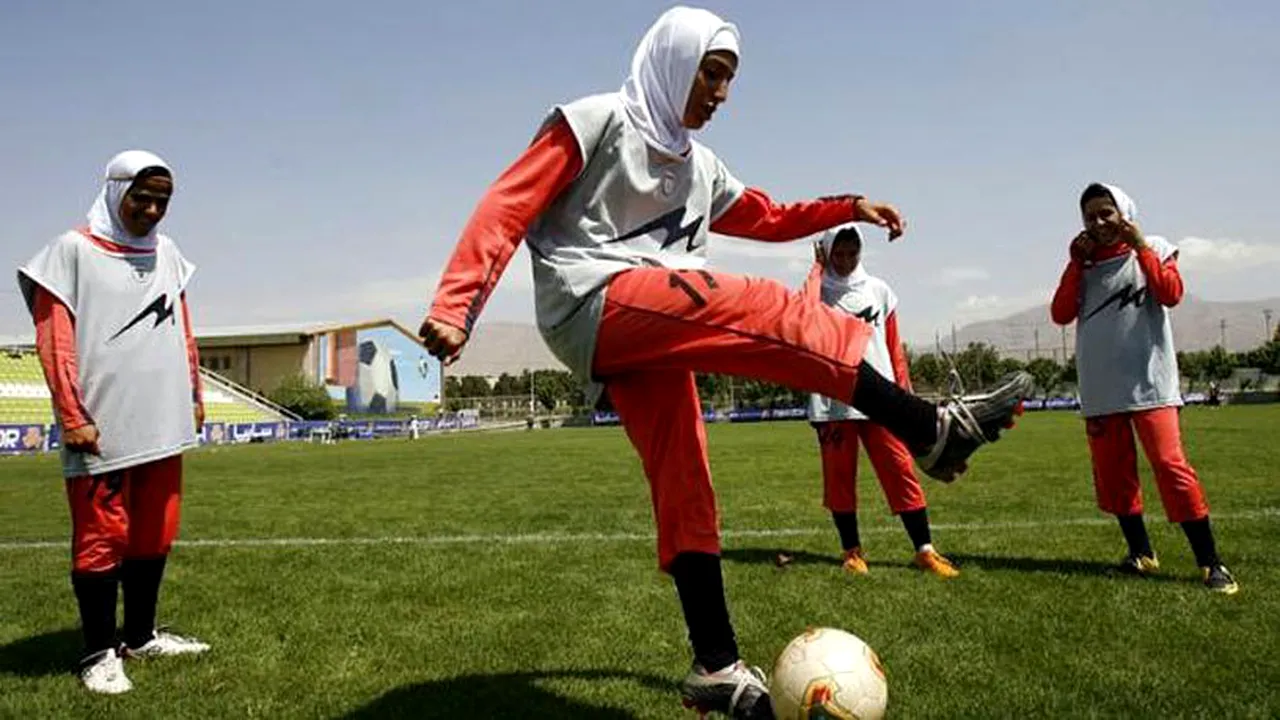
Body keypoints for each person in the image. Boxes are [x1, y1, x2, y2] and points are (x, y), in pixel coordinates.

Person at [418, 7, 1032, 716]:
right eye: (711, 74)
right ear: (675, 64)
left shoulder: (699, 166)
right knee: (760, 307)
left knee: (687, 475)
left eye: (729, 80)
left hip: (652, 324)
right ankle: (926, 426)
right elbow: (507, 204)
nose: (721, 93)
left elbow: (768, 216)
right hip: (594, 300)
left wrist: (848, 206)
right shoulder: (594, 121)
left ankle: (715, 664)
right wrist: (457, 304)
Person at [17, 150, 211, 695]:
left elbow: (183, 327)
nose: (151, 210)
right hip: (102, 424)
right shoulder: (70, 252)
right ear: (114, 191)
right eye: (142, 197)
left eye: (162, 201)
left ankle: (142, 635)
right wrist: (72, 415)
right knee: (103, 536)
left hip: (162, 417)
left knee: (154, 531)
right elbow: (55, 340)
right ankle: (98, 653)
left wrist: (193, 392)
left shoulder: (168, 253)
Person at [1050, 182, 1237, 595]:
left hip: (1150, 384)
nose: (1098, 223)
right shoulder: (1084, 264)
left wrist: (1141, 248)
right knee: (1116, 477)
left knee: (1171, 468)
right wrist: (1074, 264)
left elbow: (1171, 294)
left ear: (1126, 212)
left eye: (1106, 213)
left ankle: (1211, 562)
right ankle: (1141, 553)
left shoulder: (1154, 247)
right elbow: (1061, 313)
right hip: (1101, 391)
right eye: (1090, 217)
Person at [803, 227, 959, 578]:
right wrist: (816, 270)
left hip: (883, 402)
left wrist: (906, 400)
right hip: (832, 402)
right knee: (839, 479)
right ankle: (852, 552)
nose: (844, 261)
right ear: (825, 253)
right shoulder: (817, 292)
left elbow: (893, 349)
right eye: (837, 254)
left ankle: (925, 550)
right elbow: (802, 316)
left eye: (851, 253)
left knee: (900, 471)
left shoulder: (880, 291)